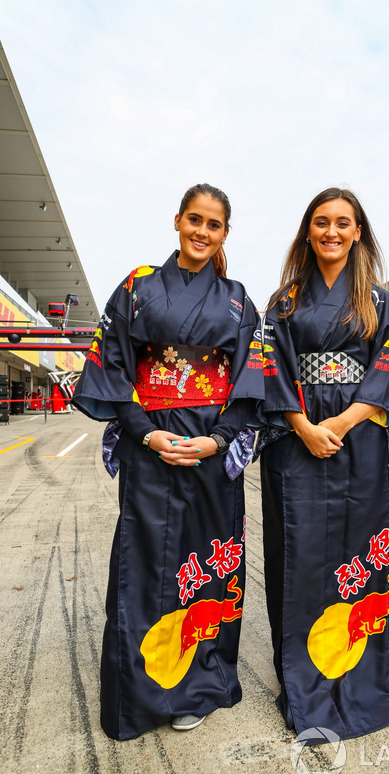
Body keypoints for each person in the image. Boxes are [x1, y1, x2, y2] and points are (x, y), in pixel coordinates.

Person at [73, 183, 264, 740]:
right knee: (145, 559)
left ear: (225, 233)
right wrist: (147, 434)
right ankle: (138, 686)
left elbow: (252, 381)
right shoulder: (136, 287)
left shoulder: (236, 298)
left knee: (206, 563)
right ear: (177, 221)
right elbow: (112, 367)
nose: (202, 232)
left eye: (214, 224)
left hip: (210, 448)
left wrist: (219, 439)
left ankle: (198, 683)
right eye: (195, 220)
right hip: (148, 446)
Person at [258, 188, 389, 742]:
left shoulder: (381, 301)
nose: (331, 232)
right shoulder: (283, 301)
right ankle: (302, 680)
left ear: (358, 233)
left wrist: (345, 422)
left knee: (358, 549)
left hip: (359, 437)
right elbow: (269, 369)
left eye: (343, 224)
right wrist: (303, 425)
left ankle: (361, 679)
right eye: (321, 223)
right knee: (297, 552)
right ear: (308, 231)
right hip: (293, 436)